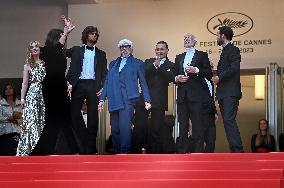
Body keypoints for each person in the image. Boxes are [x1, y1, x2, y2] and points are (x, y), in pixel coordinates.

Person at [32, 15, 78, 155]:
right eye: (60, 37)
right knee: (54, 121)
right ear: (54, 38)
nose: (63, 40)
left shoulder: (60, 54)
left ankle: (72, 151)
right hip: (51, 89)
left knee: (63, 121)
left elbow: (61, 69)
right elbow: (58, 46)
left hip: (61, 87)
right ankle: (40, 153)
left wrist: (68, 84)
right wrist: (65, 31)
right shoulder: (44, 51)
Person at [98, 39, 151, 154]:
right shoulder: (113, 64)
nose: (124, 49)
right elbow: (107, 82)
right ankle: (117, 152)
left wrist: (147, 100)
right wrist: (102, 99)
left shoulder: (138, 63)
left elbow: (143, 83)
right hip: (113, 99)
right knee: (115, 129)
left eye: (127, 47)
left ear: (131, 48)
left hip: (128, 100)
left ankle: (124, 152)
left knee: (125, 128)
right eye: (121, 47)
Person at [66, 26, 107, 154]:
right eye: (91, 33)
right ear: (86, 35)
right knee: (73, 114)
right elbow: (59, 50)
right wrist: (66, 32)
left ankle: (89, 149)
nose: (94, 35)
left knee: (93, 118)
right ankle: (84, 140)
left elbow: (104, 73)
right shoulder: (76, 50)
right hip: (77, 84)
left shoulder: (101, 54)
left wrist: (104, 87)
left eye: (96, 34)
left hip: (93, 85)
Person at [132, 41, 174, 154]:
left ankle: (154, 155)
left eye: (162, 49)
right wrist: (154, 65)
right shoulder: (148, 62)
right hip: (144, 100)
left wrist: (159, 67)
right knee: (139, 127)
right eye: (157, 49)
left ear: (167, 51)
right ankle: (136, 153)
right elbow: (142, 74)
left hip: (159, 102)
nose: (159, 51)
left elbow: (170, 78)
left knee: (156, 130)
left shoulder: (171, 65)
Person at [174, 33, 212, 153]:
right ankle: (182, 152)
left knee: (197, 126)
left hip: (196, 96)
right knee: (183, 126)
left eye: (189, 38)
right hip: (182, 97)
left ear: (195, 41)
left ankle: (198, 152)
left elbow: (208, 73)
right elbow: (173, 75)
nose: (186, 40)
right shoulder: (179, 57)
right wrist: (177, 78)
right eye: (185, 38)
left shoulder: (202, 55)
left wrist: (196, 70)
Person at [212, 26, 243, 153]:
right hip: (224, 93)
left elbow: (234, 68)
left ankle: (238, 151)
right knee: (227, 121)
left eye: (217, 34)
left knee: (229, 120)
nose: (216, 37)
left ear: (223, 36)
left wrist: (219, 76)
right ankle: (235, 150)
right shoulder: (225, 51)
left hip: (230, 92)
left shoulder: (233, 50)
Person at [17, 41, 46, 156]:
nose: (34, 48)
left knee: (43, 120)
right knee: (32, 121)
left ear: (40, 48)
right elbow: (24, 84)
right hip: (33, 94)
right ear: (29, 51)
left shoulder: (45, 63)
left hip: (44, 93)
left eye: (36, 46)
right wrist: (22, 99)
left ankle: (44, 147)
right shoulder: (27, 65)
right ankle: (33, 148)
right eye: (32, 47)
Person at [0, 83, 22, 155]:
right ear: (4, 92)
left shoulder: (19, 104)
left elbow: (23, 118)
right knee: (6, 153)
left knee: (17, 153)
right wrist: (8, 119)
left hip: (17, 132)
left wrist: (16, 120)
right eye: (6, 89)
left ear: (13, 90)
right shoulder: (1, 103)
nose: (8, 90)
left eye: (10, 88)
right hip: (4, 132)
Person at [204, 61, 218, 153]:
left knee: (211, 141)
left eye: (212, 67)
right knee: (199, 141)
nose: (211, 69)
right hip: (199, 115)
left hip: (210, 115)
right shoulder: (197, 80)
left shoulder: (211, 82)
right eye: (209, 66)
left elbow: (211, 99)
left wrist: (215, 112)